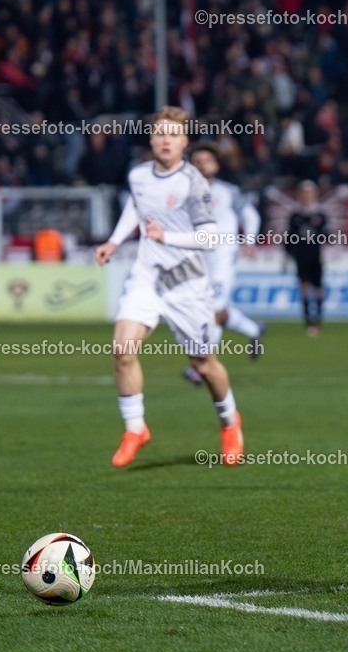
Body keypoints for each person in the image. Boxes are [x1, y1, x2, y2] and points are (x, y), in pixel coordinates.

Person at [94, 106, 244, 468]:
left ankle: (230, 423)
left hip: (187, 283)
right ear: (151, 139)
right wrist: (114, 241)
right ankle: (135, 428)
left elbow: (209, 237)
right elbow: (137, 206)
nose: (166, 140)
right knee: (122, 349)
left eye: (173, 134)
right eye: (160, 133)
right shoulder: (138, 175)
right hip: (147, 276)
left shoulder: (193, 183)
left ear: (184, 142)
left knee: (203, 364)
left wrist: (168, 237)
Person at [182, 142, 265, 385]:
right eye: (196, 162)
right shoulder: (185, 194)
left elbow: (250, 215)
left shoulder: (228, 191)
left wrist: (249, 241)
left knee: (213, 310)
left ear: (216, 165)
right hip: (198, 258)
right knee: (211, 309)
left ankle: (203, 367)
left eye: (206, 161)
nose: (201, 165)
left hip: (223, 256)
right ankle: (253, 330)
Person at [286, 180, 328, 336]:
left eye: (309, 193)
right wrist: (287, 255)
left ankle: (318, 320)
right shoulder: (295, 215)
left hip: (316, 256)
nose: (307, 196)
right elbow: (289, 238)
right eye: (304, 193)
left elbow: (327, 236)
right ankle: (308, 321)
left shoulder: (320, 214)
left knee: (318, 288)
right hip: (301, 256)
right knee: (303, 286)